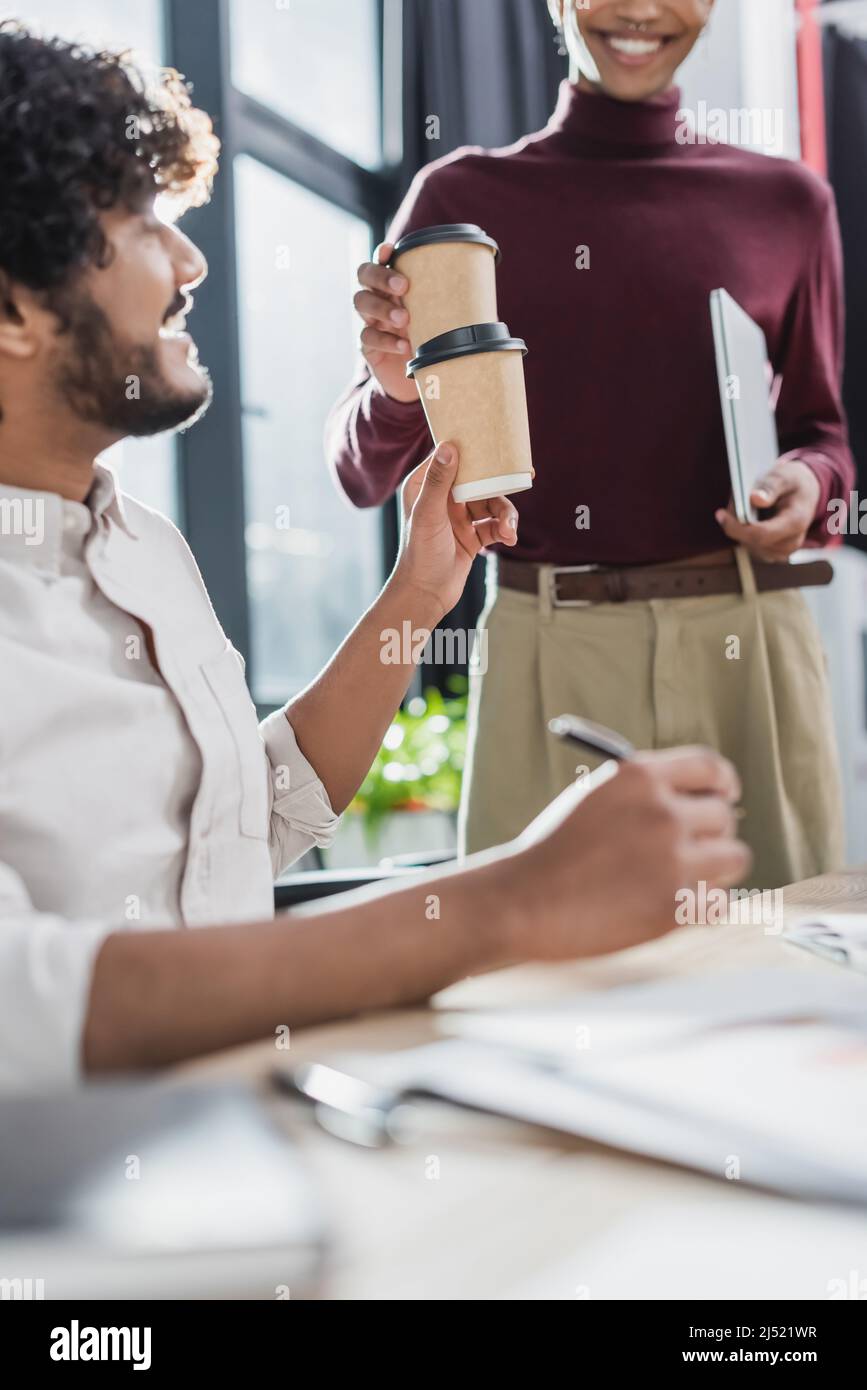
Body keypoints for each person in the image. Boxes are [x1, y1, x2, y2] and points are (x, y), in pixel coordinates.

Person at [0, 24, 749, 1090]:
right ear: (13, 307)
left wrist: (420, 592)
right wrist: (510, 901)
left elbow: (245, 826)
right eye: (138, 221)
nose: (190, 261)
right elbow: (22, 1005)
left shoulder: (141, 549)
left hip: (251, 1126)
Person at [327, 0, 852, 889]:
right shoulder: (459, 199)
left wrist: (807, 484)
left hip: (749, 645)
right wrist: (391, 387)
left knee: (782, 979)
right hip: (547, 642)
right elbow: (361, 472)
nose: (643, 9)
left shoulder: (789, 202)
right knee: (533, 991)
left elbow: (823, 434)